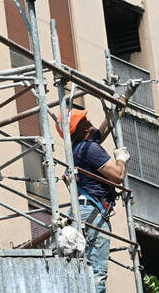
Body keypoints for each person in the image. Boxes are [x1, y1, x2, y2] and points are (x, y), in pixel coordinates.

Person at [57, 107, 130, 293]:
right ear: (79, 129)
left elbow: (103, 130)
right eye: (85, 121)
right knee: (96, 273)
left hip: (80, 212)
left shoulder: (78, 150)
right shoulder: (89, 149)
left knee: (79, 273)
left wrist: (121, 102)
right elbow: (118, 176)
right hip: (93, 213)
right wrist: (121, 159)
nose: (89, 122)